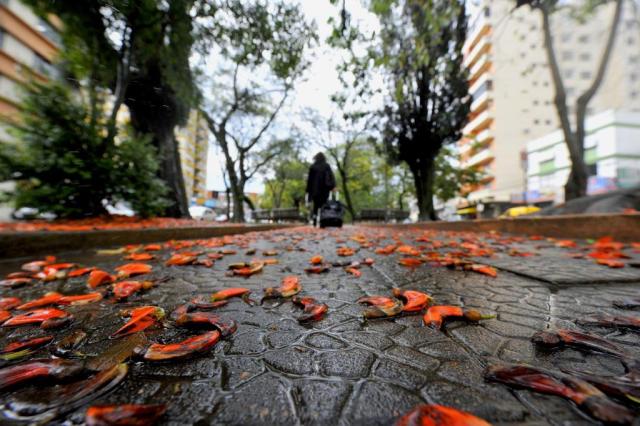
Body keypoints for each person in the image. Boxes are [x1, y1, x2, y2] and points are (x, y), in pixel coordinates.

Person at [306, 152, 336, 226]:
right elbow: (331, 176)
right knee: (323, 204)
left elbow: (309, 180)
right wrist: (333, 186)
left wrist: (308, 190)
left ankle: (315, 219)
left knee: (316, 205)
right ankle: (323, 221)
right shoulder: (326, 166)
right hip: (325, 189)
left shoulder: (313, 167)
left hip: (315, 189)